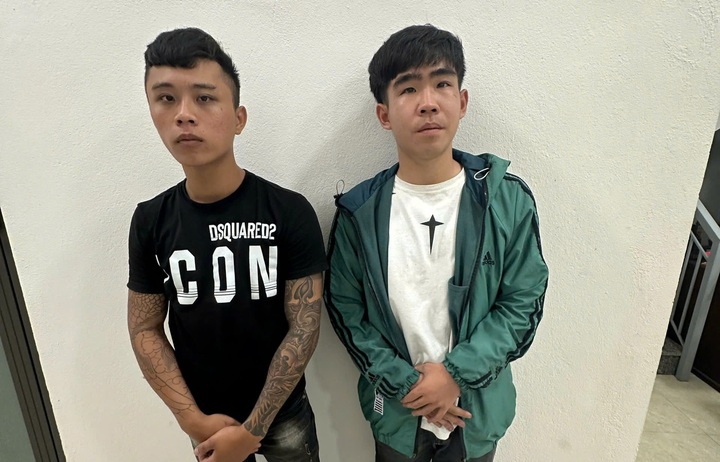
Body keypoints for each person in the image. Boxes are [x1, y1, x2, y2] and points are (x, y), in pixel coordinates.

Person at [324, 24, 549, 462]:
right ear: (384, 114)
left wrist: (453, 376)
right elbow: (347, 311)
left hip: (476, 416)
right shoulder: (359, 213)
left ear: (462, 102)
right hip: (396, 414)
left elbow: (522, 301)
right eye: (408, 89)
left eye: (442, 84)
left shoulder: (505, 200)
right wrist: (409, 385)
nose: (427, 102)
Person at [127, 27, 326, 462]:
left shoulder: (288, 211)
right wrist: (191, 420)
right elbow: (144, 328)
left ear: (238, 118)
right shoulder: (150, 221)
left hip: (283, 415)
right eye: (166, 98)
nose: (184, 115)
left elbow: (305, 326)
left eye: (204, 97)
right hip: (204, 418)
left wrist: (253, 430)